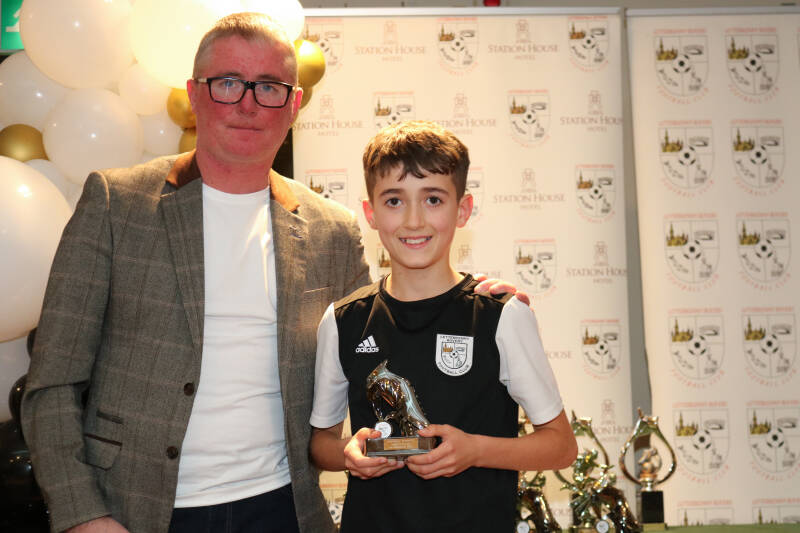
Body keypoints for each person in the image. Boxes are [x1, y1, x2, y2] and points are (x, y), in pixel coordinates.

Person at [21, 13, 523, 533]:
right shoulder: (116, 203)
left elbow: (389, 341)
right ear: (194, 93)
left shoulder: (331, 230)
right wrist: (85, 516)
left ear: (294, 104)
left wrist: (475, 304)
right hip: (136, 511)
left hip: (285, 509)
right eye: (228, 83)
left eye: (268, 87)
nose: (247, 104)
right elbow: (53, 383)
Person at [309, 121, 578, 533]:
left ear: (462, 210)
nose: (414, 220)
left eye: (433, 199)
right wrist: (349, 452)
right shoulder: (343, 320)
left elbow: (561, 445)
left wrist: (474, 451)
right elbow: (320, 444)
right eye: (394, 201)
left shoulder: (501, 314)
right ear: (371, 213)